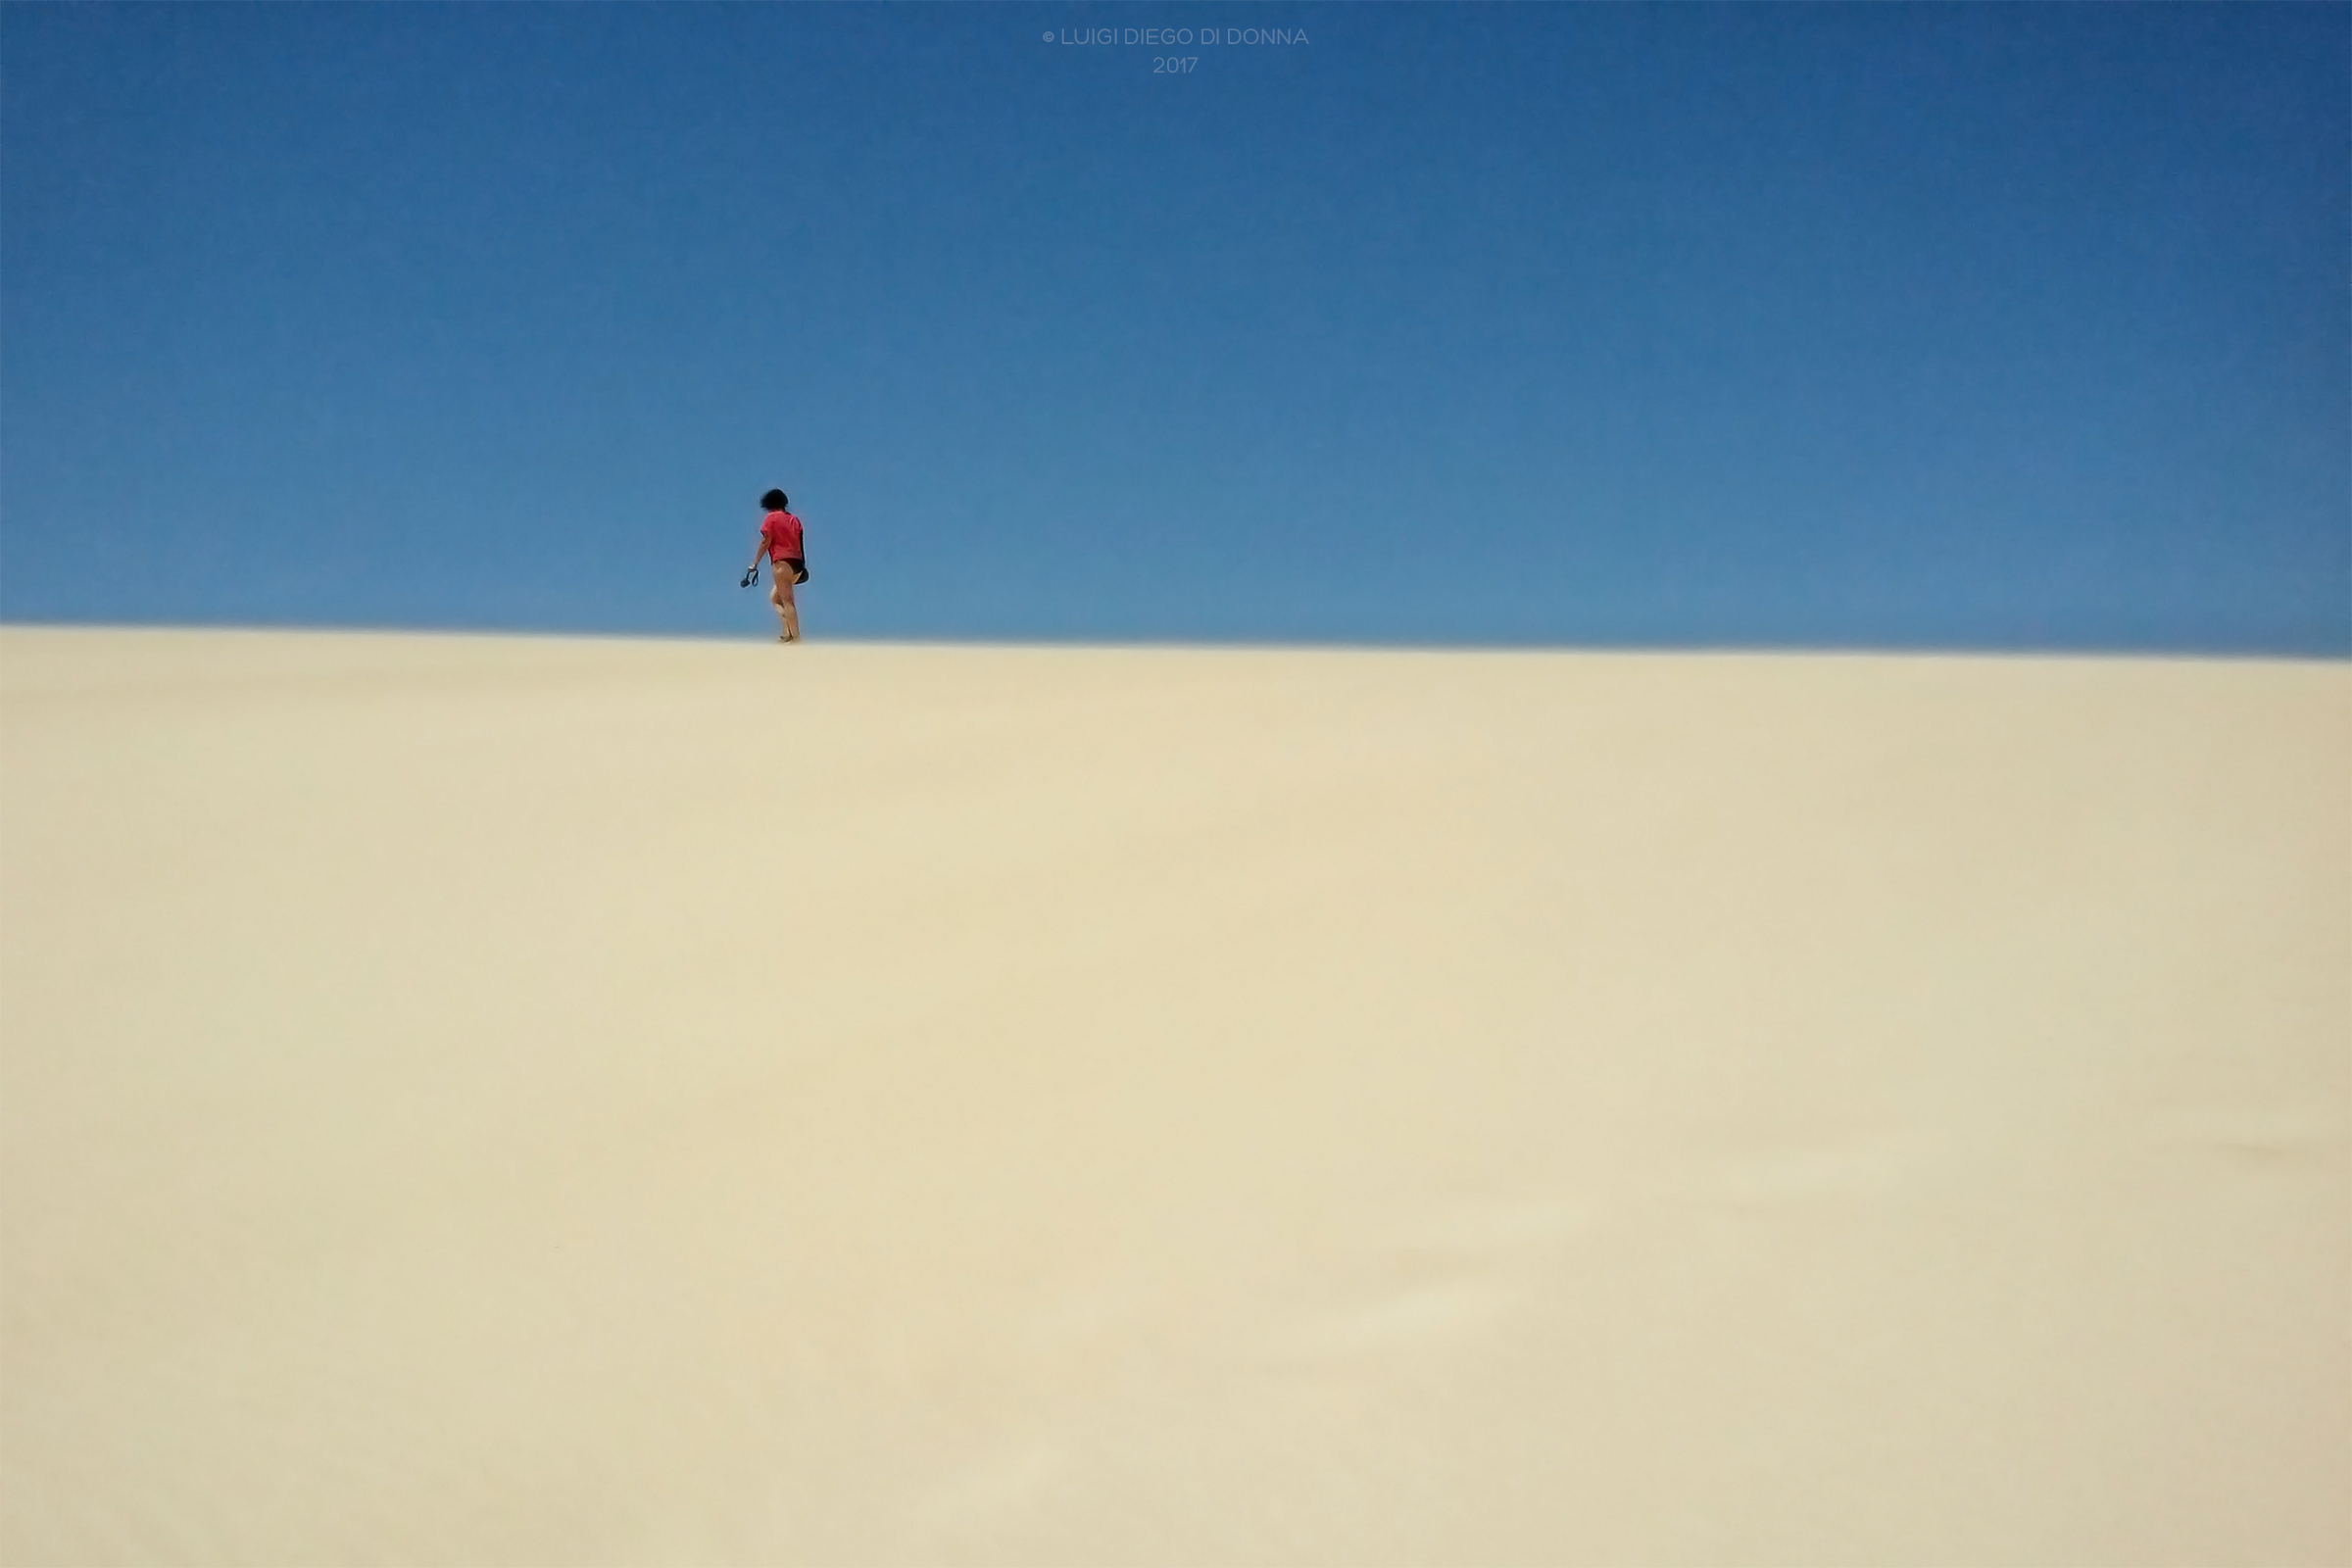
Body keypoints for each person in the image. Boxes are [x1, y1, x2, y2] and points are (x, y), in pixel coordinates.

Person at [747, 489, 808, 642]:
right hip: (797, 564)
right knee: (775, 598)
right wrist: (803, 565)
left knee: (787, 601)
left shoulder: (771, 518)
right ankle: (787, 632)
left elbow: (766, 541)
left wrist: (755, 563)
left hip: (782, 563)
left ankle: (796, 638)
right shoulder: (794, 519)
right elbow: (800, 542)